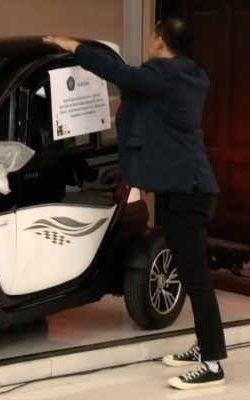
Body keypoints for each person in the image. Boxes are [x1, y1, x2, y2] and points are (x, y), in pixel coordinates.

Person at [44, 16, 227, 390]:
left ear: (159, 40)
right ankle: (205, 347)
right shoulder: (191, 76)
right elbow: (140, 98)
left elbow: (117, 72)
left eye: (151, 35)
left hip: (187, 193)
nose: (148, 40)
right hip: (187, 187)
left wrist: (74, 46)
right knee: (191, 275)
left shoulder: (160, 77)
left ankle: (212, 364)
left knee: (196, 280)